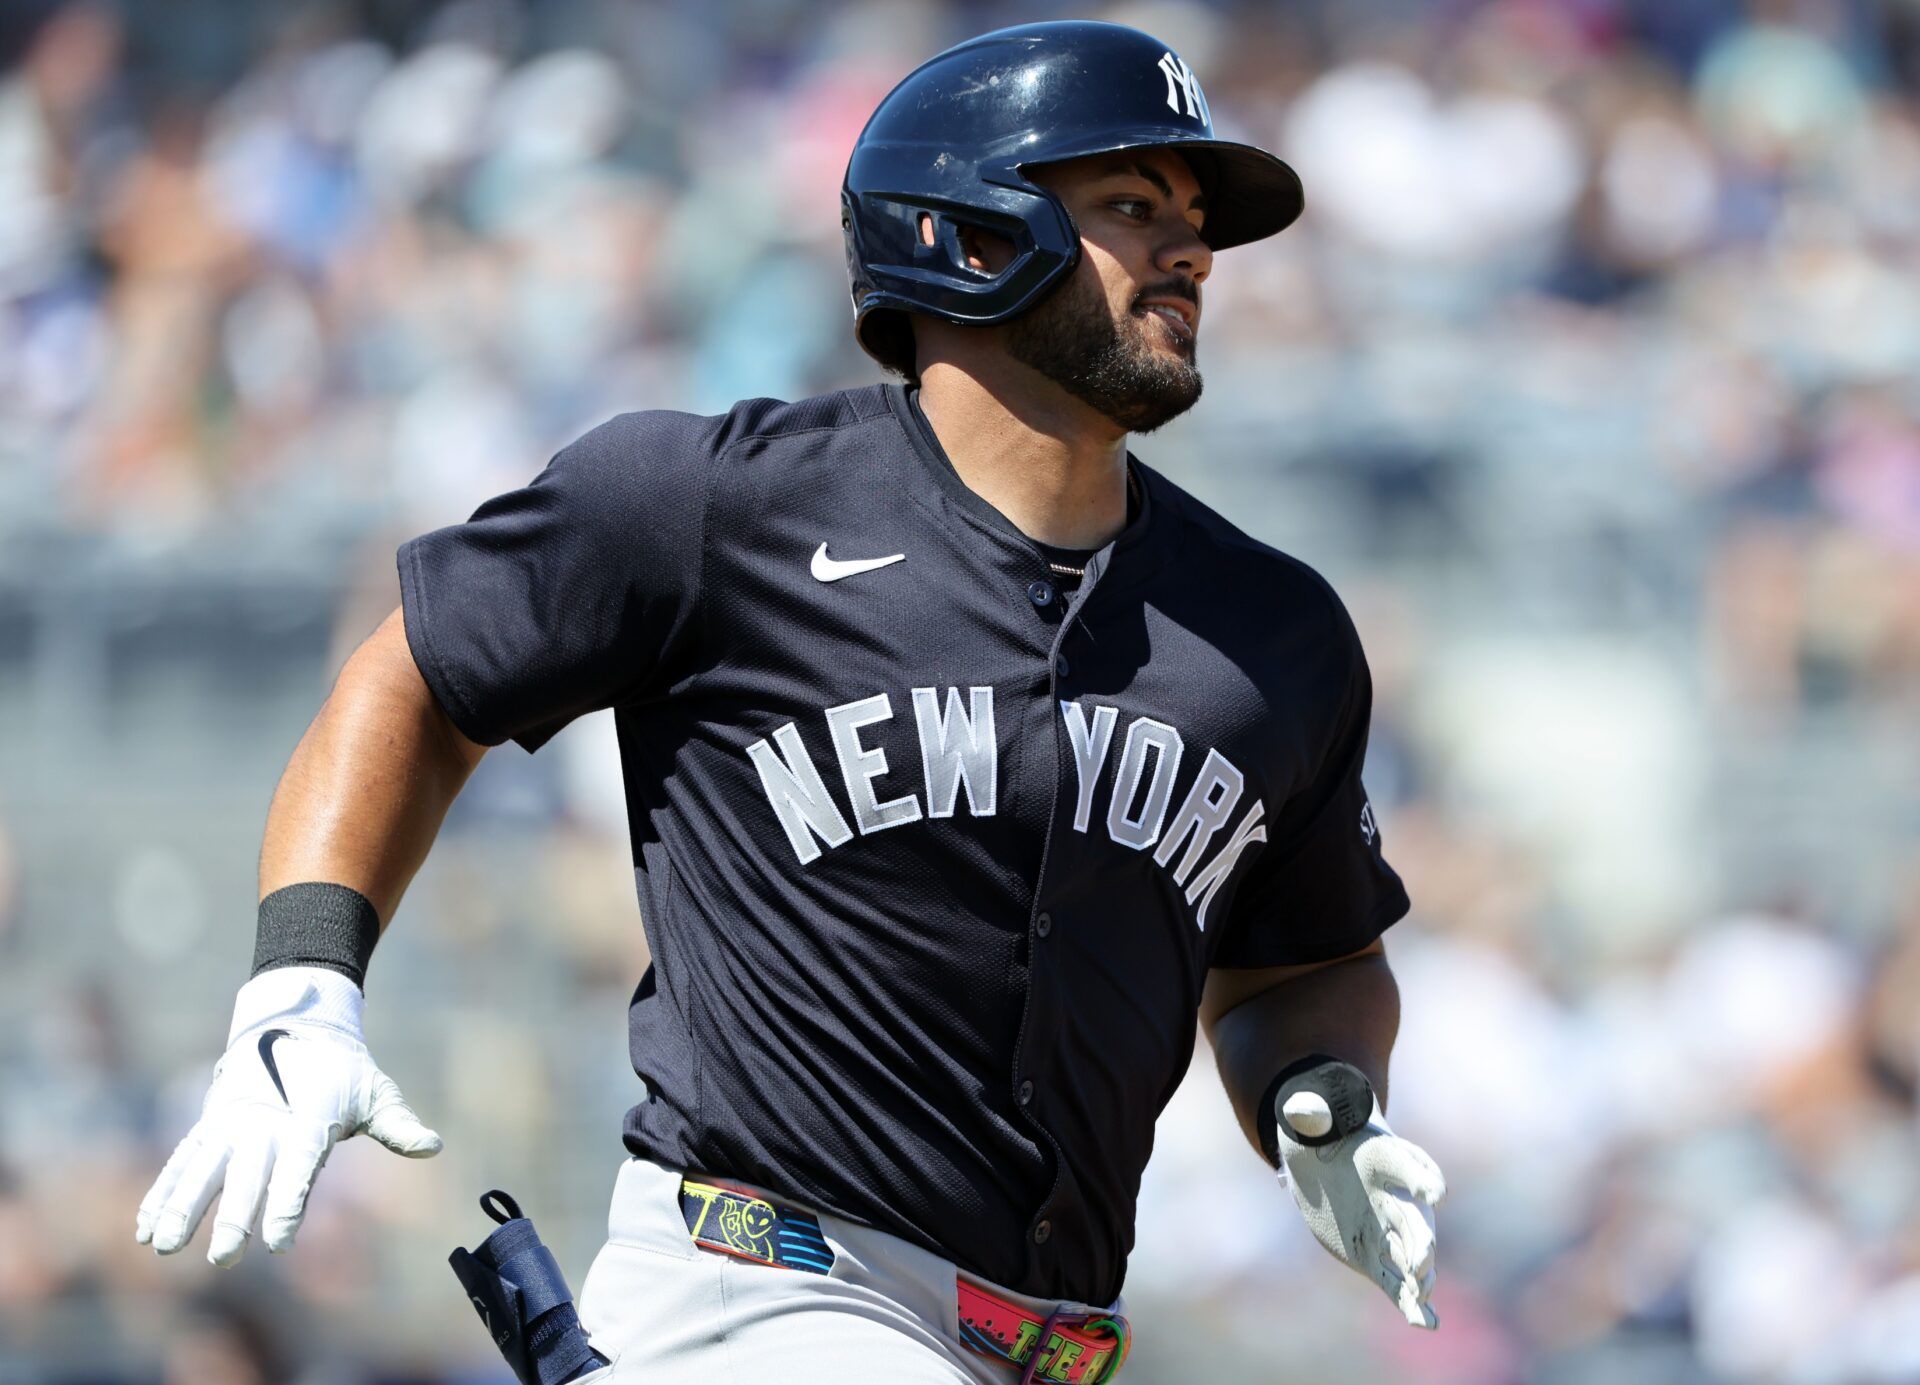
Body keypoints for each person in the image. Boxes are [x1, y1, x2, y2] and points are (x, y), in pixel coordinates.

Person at [134, 21, 1445, 1383]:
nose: (1189, 250)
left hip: (1052, 1349)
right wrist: (300, 980)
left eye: (1194, 221)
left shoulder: (1272, 630)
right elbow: (416, 681)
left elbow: (1307, 961)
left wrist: (1325, 1101)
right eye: (1131, 205)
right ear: (968, 237)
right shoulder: (715, 507)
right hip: (753, 1295)